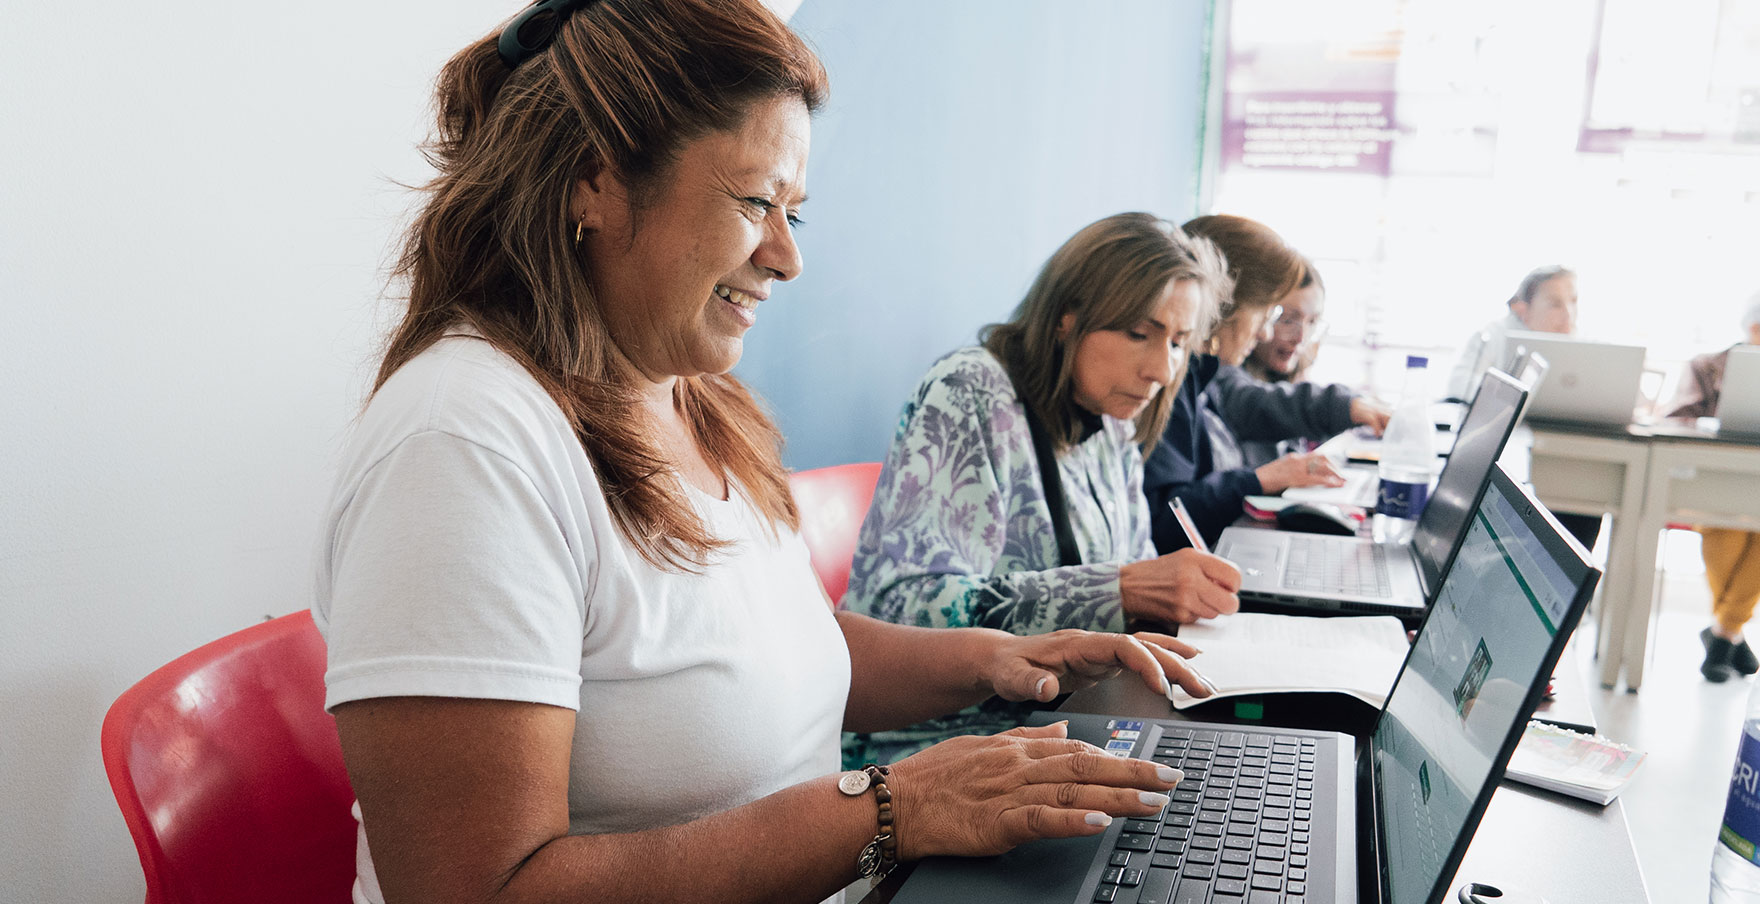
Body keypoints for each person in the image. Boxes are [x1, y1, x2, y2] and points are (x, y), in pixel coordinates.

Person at [312, 4, 1216, 903]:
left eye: (795, 213)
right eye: (755, 202)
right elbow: (477, 890)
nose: (786, 257)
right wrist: (894, 810)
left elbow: (788, 657)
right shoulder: (462, 444)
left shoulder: (696, 403)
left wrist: (993, 655)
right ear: (596, 181)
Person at [840, 213, 1242, 765]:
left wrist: (1173, 594)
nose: (1162, 369)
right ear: (1066, 317)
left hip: (1058, 723)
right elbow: (902, 614)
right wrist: (1118, 590)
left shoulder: (1112, 418)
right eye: (1138, 334)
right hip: (932, 747)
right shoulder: (969, 392)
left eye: (1178, 343)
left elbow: (1136, 576)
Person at [1143, 215, 1382, 551]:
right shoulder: (1170, 381)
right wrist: (1263, 479)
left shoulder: (1204, 377)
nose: (1266, 332)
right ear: (1225, 303)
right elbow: (1165, 524)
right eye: (1268, 313)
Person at [1210, 255, 1390, 469]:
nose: (1301, 338)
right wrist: (1341, 406)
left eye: (1312, 321)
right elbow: (1259, 404)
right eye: (1288, 319)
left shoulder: (1291, 379)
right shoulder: (1226, 376)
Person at [1663, 294, 1760, 681]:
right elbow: (1676, 420)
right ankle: (1728, 634)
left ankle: (1723, 632)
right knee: (1731, 530)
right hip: (1712, 485)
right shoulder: (1706, 367)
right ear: (1755, 329)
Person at [1445, 264, 1578, 402]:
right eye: (1555, 304)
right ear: (1521, 309)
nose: (1569, 314)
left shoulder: (1583, 346)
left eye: (1574, 301)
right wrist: (1505, 396)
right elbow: (1459, 384)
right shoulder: (1491, 335)